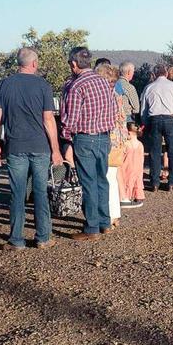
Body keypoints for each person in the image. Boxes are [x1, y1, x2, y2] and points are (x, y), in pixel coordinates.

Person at [0, 48, 60, 250]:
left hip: (15, 146)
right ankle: (43, 237)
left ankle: (16, 239)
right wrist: (55, 149)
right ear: (34, 64)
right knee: (40, 192)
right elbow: (48, 119)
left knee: (17, 193)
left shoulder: (5, 84)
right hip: (40, 146)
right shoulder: (43, 85)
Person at [59, 47, 116, 241]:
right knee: (102, 180)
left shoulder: (76, 86)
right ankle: (104, 222)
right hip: (104, 136)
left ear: (73, 64)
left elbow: (71, 118)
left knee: (89, 183)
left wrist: (66, 139)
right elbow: (113, 108)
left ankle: (92, 227)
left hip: (85, 138)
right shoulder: (103, 81)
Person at [141, 66, 173, 191]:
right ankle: (172, 182)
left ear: (155, 74)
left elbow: (143, 109)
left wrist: (144, 123)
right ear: (166, 74)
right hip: (171, 119)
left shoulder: (149, 87)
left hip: (154, 119)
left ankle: (155, 182)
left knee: (154, 152)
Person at [96, 62, 125, 229]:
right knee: (111, 177)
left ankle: (109, 214)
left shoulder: (105, 96)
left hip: (107, 140)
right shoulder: (117, 95)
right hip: (117, 141)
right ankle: (113, 214)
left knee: (106, 179)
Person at [118, 122, 145, 208]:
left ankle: (126, 196)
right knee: (137, 181)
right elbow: (142, 158)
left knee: (126, 180)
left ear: (128, 132)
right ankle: (138, 196)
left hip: (126, 167)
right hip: (138, 167)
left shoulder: (126, 143)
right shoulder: (140, 144)